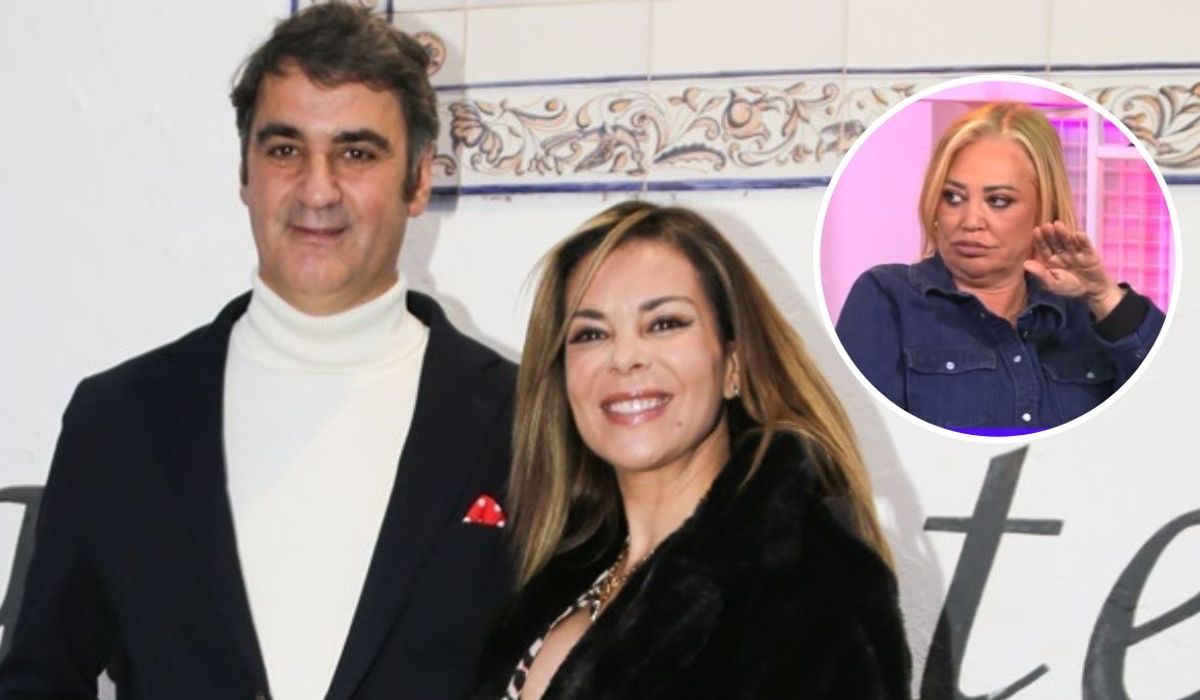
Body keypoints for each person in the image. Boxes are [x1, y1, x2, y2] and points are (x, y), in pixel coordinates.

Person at [0, 4, 515, 699]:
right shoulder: (118, 421)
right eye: (284, 150)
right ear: (245, 172)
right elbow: (38, 680)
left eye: (357, 153)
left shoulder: (520, 421)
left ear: (419, 179)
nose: (317, 188)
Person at [469, 202, 911, 699]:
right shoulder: (561, 574)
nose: (624, 357)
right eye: (591, 333)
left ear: (733, 363)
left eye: (665, 324)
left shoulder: (814, 585)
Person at [836, 102, 1164, 433]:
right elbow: (861, 438)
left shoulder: (1087, 316)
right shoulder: (887, 298)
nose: (970, 221)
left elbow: (1170, 405)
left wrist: (1104, 296)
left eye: (998, 201)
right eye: (953, 197)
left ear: (1044, 208)